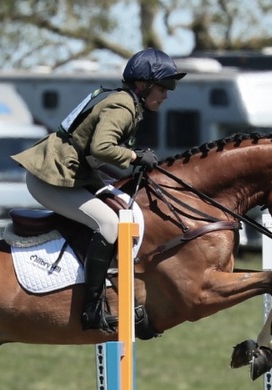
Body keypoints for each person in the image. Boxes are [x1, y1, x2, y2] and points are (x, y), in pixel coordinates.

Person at [12, 48, 185, 333]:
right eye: (164, 87)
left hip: (74, 175)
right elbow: (101, 148)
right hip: (50, 178)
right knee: (108, 223)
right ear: (143, 85)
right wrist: (134, 157)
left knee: (123, 205)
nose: (167, 94)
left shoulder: (126, 101)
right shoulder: (123, 106)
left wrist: (133, 163)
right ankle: (91, 308)